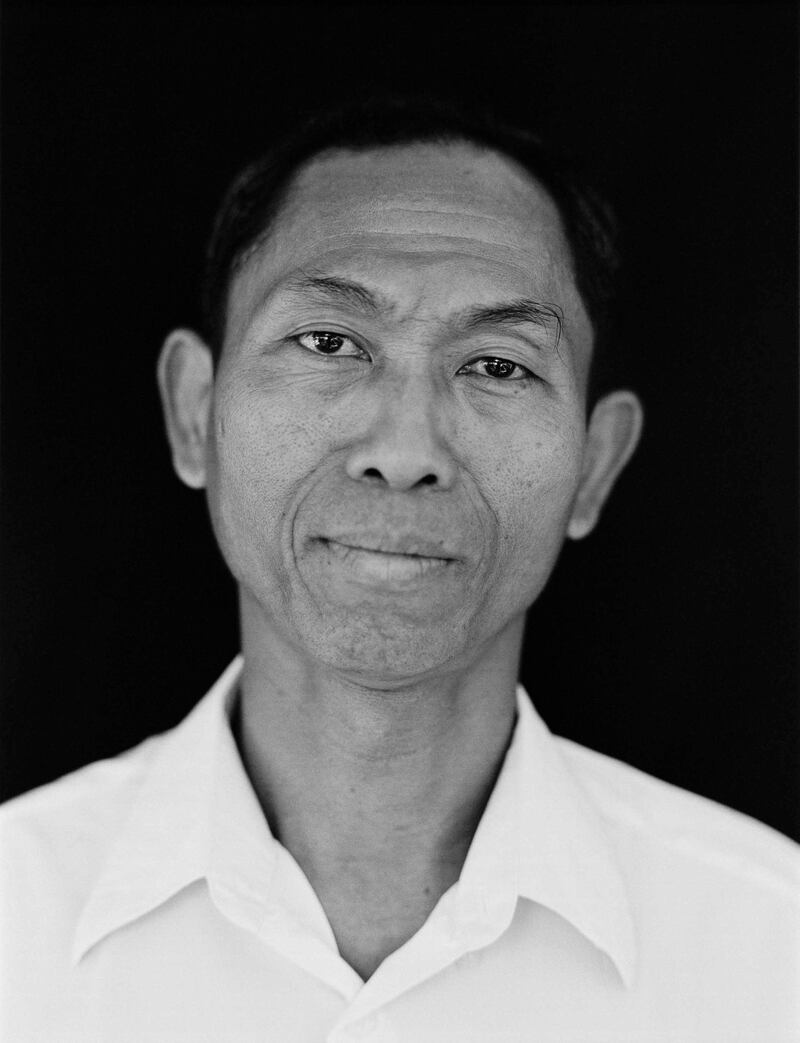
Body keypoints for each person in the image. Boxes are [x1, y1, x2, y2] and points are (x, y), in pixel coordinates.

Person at [2, 96, 798, 1042]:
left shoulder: (768, 949)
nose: (406, 446)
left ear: (594, 465)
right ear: (193, 412)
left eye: (498, 366)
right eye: (330, 342)